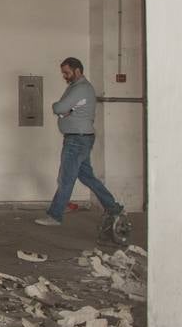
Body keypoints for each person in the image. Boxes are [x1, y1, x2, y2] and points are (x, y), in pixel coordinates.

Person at [37, 56, 125, 239]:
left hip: (77, 140)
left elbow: (59, 108)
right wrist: (64, 111)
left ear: (77, 70)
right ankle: (113, 208)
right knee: (87, 177)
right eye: (63, 73)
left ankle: (55, 215)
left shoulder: (81, 88)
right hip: (80, 138)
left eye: (67, 72)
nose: (64, 76)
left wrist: (61, 110)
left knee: (66, 178)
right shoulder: (75, 88)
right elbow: (63, 109)